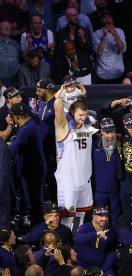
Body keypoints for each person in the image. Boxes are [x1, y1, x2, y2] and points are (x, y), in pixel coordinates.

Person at [53, 85, 97, 234]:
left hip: (85, 180)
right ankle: (65, 246)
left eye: (84, 115)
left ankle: (76, 243)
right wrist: (63, 91)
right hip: (68, 182)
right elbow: (57, 104)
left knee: (81, 217)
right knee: (67, 219)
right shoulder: (63, 126)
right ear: (72, 112)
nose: (83, 118)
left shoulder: (89, 124)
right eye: (80, 115)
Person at [74, 206, 115, 276]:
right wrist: (96, 234)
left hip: (101, 266)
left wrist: (103, 269)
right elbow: (77, 239)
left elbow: (111, 252)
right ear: (93, 217)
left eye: (106, 216)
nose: (104, 219)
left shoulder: (109, 231)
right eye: (101, 216)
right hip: (84, 266)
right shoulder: (85, 228)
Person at [92, 13, 126, 83]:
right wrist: (104, 37)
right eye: (105, 18)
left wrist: (115, 35)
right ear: (101, 20)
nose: (107, 20)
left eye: (109, 17)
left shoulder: (120, 31)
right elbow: (98, 53)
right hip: (102, 74)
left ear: (113, 20)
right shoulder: (96, 34)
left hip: (118, 73)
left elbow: (122, 49)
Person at [0, 20, 22, 86]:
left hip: (14, 79)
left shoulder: (16, 44)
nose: (6, 28)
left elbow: (20, 59)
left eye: (8, 27)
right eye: (4, 26)